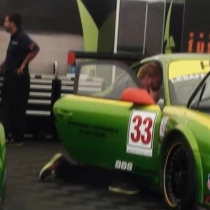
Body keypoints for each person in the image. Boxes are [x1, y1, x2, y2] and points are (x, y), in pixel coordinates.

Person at [39, 61, 163, 196]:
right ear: (148, 78)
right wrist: (154, 96)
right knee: (103, 177)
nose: (157, 87)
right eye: (157, 83)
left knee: (106, 173)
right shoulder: (129, 87)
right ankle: (62, 168)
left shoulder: (130, 84)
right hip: (113, 132)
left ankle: (64, 167)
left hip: (119, 141)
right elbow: (145, 107)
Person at [0, 13, 40, 145]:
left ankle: (17, 138)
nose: (4, 24)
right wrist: (2, 66)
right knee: (8, 107)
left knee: (16, 107)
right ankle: (9, 136)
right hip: (9, 75)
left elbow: (35, 49)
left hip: (17, 78)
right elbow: (12, 56)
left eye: (6, 21)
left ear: (12, 23)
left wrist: (23, 65)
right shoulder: (13, 38)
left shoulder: (22, 37)